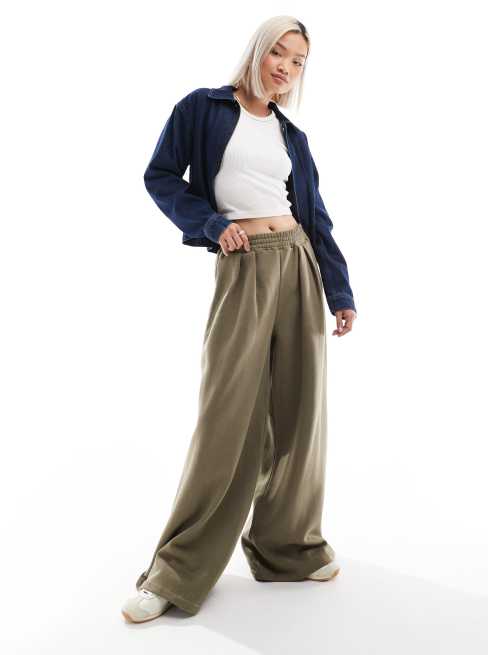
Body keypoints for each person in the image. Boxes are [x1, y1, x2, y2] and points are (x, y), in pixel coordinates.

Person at [122, 15, 357, 623]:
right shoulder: (202, 109)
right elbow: (160, 177)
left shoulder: (291, 135)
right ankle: (176, 570)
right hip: (245, 262)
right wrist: (210, 224)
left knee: (299, 412)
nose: (287, 67)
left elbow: (315, 215)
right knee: (227, 415)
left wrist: (339, 291)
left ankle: (288, 549)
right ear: (257, 51)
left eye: (299, 61)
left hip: (298, 262)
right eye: (280, 52)